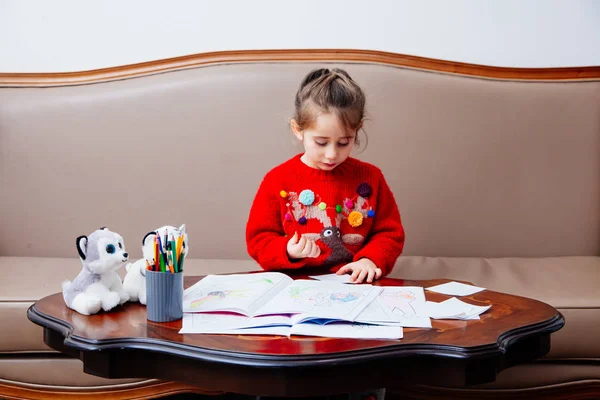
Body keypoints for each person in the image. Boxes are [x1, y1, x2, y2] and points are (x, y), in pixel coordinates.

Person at [246, 68, 405, 284]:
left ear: (358, 130)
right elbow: (259, 239)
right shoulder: (277, 179)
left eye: (343, 143)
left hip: (355, 284)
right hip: (294, 286)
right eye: (321, 142)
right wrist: (287, 250)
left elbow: (389, 233)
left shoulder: (371, 177)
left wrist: (370, 259)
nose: (331, 154)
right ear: (298, 129)